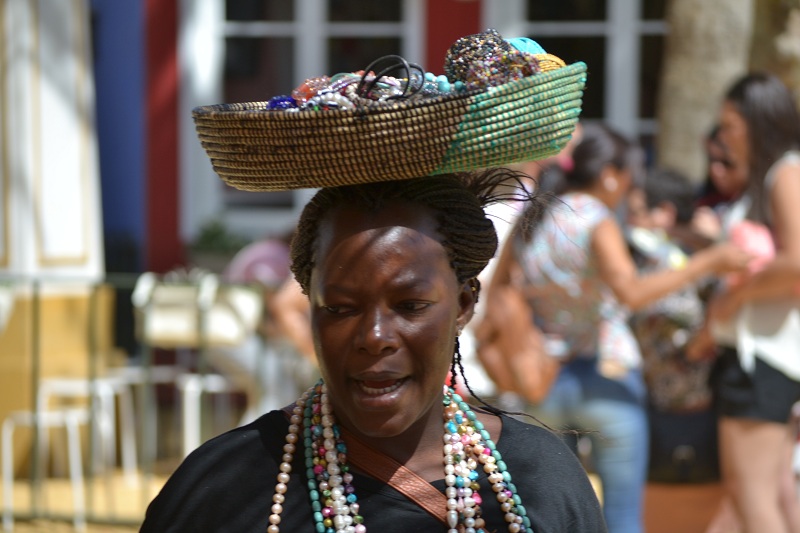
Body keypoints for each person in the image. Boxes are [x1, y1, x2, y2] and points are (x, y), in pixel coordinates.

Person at [139, 170, 608, 532]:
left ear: (464, 305)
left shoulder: (540, 478)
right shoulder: (223, 486)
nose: (375, 336)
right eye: (341, 309)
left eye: (410, 306)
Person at [485, 123, 751, 533]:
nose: (629, 188)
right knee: (623, 518)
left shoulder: (538, 215)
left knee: (551, 517)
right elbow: (630, 292)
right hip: (606, 378)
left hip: (542, 383)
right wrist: (706, 263)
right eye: (629, 176)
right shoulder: (595, 218)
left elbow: (500, 291)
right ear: (610, 174)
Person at [703, 72, 800, 533]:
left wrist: (733, 296)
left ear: (758, 122)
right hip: (764, 357)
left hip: (760, 358)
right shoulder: (776, 175)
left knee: (752, 500)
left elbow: (797, 263)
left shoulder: (784, 172)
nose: (724, 138)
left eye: (731, 125)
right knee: (773, 495)